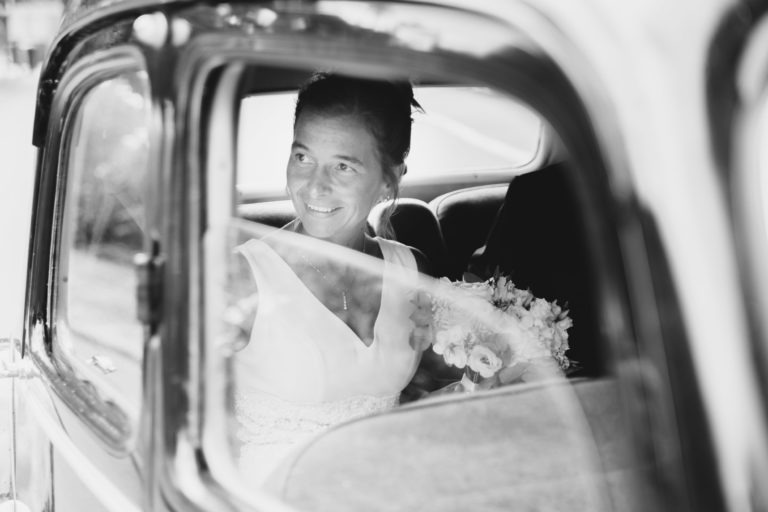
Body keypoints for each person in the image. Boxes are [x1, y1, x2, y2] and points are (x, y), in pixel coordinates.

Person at [233, 73, 435, 484]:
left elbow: (431, 388)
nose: (314, 186)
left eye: (343, 166)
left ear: (388, 178)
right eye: (303, 158)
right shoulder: (240, 277)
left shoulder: (413, 272)